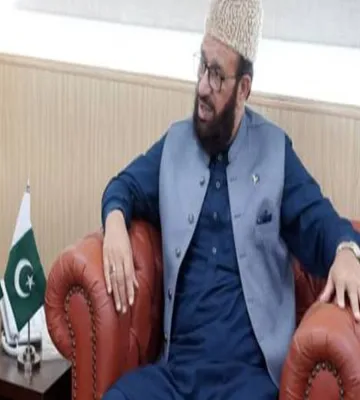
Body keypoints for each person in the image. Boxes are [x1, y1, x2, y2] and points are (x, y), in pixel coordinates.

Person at [100, 0, 360, 398]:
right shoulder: (175, 144)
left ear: (244, 89)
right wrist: (115, 220)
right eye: (202, 66)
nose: (203, 86)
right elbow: (123, 187)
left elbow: (323, 225)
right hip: (177, 373)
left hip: (248, 380)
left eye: (218, 75)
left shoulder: (275, 152)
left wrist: (346, 251)